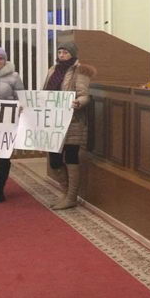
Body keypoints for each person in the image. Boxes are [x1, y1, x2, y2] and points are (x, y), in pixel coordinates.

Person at [43, 42, 95, 210]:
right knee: (54, 160)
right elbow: (45, 92)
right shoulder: (53, 69)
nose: (62, 55)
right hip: (53, 120)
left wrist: (78, 102)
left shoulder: (81, 71)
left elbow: (85, 95)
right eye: (60, 52)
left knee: (71, 157)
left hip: (72, 121)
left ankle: (71, 197)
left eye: (65, 52)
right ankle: (65, 193)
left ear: (72, 54)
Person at [0, 46, 24, 201]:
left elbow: (21, 97)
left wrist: (21, 106)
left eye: (0, 58)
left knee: (4, 157)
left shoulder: (14, 76)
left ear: (5, 60)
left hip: (6, 124)